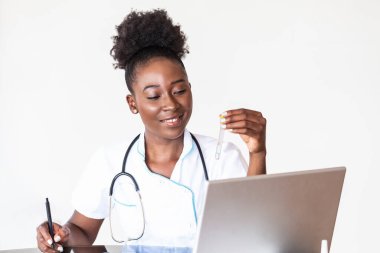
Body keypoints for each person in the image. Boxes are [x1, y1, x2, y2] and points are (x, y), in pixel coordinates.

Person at [36, 9, 267, 252]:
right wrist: (59, 236)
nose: (171, 104)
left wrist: (258, 153)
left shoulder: (220, 156)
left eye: (179, 91)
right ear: (132, 103)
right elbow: (81, 231)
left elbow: (256, 228)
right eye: (154, 96)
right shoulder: (111, 161)